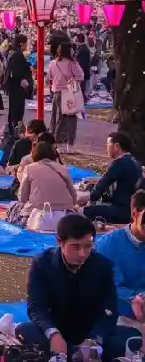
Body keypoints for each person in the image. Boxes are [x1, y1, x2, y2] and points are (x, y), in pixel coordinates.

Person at [17, 214, 140, 361]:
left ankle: (76, 354)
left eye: (88, 246)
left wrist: (93, 339)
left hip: (89, 331)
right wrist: (53, 334)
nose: (82, 254)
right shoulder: (42, 264)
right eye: (75, 247)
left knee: (132, 336)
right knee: (24, 330)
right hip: (57, 329)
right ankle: (71, 354)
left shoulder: (102, 266)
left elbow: (110, 310)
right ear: (59, 242)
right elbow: (36, 307)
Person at [96, 190, 145, 324]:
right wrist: (133, 299)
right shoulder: (108, 245)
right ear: (134, 214)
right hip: (119, 314)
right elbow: (108, 286)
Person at [9, 140, 78, 226]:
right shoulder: (62, 168)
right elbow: (74, 197)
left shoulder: (29, 168)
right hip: (65, 216)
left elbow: (23, 198)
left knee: (13, 208)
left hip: (38, 216)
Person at [83, 132, 142, 224]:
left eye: (107, 144)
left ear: (116, 146)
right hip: (134, 209)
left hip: (122, 211)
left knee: (86, 211)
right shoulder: (136, 163)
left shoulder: (120, 163)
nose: (106, 148)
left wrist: (90, 199)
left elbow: (102, 185)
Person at [49, 43, 84, 148]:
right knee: (70, 117)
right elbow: (79, 77)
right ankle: (69, 142)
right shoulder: (71, 63)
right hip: (68, 93)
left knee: (57, 117)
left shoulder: (53, 63)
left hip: (56, 93)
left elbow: (50, 77)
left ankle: (56, 139)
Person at [4, 34, 32, 126]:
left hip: (12, 86)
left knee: (13, 108)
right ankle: (16, 129)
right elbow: (16, 72)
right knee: (17, 109)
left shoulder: (11, 52)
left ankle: (13, 128)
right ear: (21, 43)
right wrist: (24, 79)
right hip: (17, 86)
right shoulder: (17, 54)